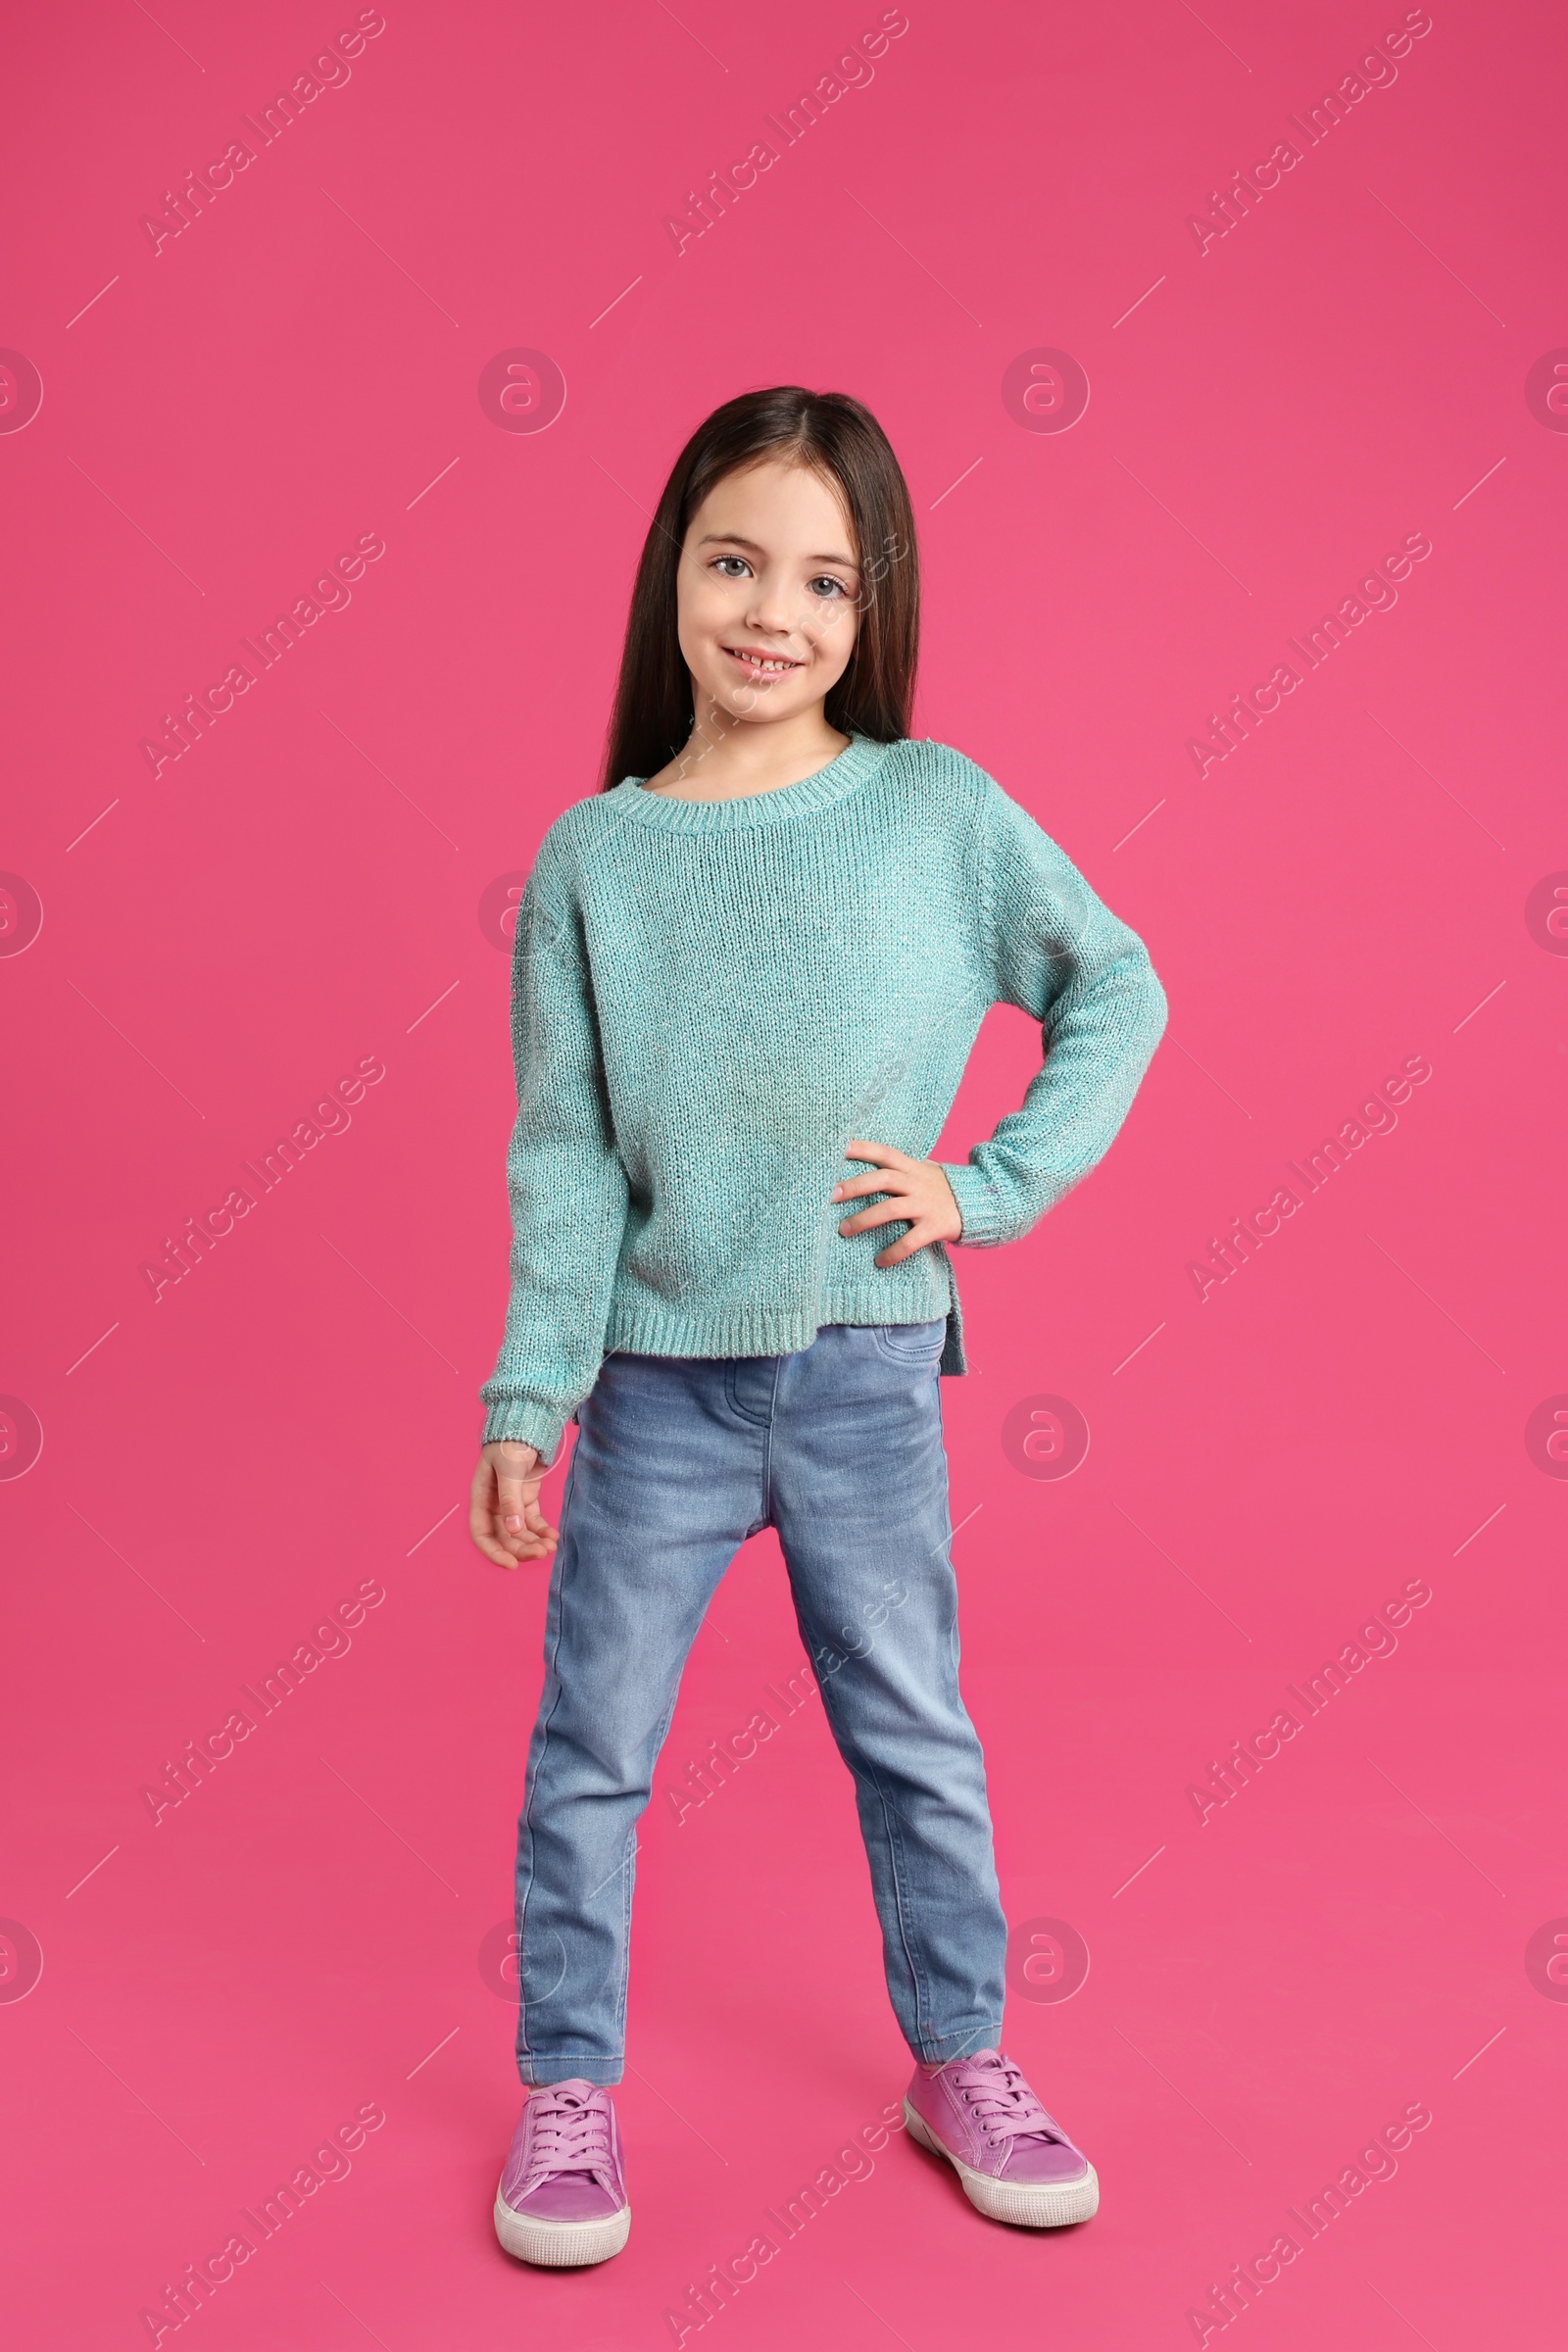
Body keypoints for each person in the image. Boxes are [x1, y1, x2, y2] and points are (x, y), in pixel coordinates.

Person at [468, 385, 1166, 2267]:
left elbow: (1118, 982)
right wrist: (531, 1394)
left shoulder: (932, 812)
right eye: (734, 562)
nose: (773, 611)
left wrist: (986, 1191)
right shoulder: (594, 864)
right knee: (594, 1741)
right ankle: (566, 2091)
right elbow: (564, 1162)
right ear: (673, 576)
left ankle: (965, 2061)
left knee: (915, 1735)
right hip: (657, 1390)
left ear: (872, 614)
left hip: (860, 1371)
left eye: (825, 580)